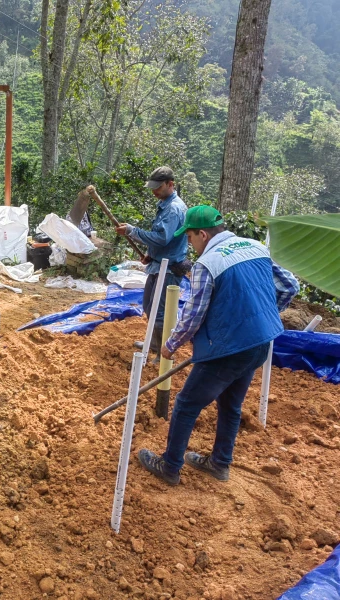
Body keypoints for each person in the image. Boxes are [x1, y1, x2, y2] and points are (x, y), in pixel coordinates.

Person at [137, 205, 299, 486]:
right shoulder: (255, 247)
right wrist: (264, 313)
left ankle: (170, 466)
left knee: (187, 404)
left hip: (229, 348)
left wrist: (171, 344)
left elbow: (194, 315)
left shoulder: (207, 263)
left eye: (189, 237)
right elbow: (289, 286)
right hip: (261, 341)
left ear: (202, 234)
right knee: (230, 404)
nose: (189, 243)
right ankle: (219, 462)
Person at [116, 166, 188, 358]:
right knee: (150, 305)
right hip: (159, 263)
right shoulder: (165, 204)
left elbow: (162, 238)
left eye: (158, 187)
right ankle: (154, 343)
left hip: (169, 268)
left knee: (162, 311)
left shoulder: (173, 209)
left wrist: (133, 231)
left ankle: (164, 353)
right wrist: (151, 254)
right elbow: (163, 240)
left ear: (170, 184)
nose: (154, 191)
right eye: (153, 187)